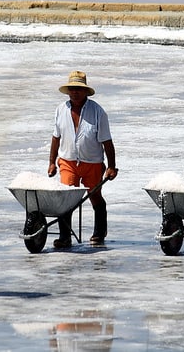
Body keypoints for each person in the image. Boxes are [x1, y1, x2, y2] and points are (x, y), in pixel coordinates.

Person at [48, 71, 118, 248]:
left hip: (92, 162)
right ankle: (65, 237)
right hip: (67, 161)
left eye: (79, 89)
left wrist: (111, 166)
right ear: (68, 91)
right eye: (72, 89)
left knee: (95, 197)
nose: (75, 92)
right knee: (66, 199)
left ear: (85, 91)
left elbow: (107, 141)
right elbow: (56, 138)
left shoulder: (97, 112)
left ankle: (99, 232)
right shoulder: (60, 110)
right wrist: (51, 162)